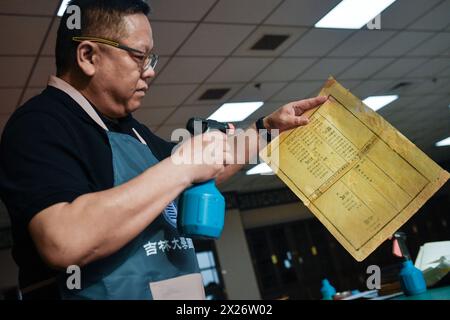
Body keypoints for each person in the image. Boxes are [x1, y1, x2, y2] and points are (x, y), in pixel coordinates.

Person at [0, 0, 327, 300]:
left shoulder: (130, 129)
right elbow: (62, 240)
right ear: (88, 56)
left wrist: (265, 131)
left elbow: (202, 167)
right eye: (140, 57)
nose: (151, 70)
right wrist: (181, 167)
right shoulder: (39, 124)